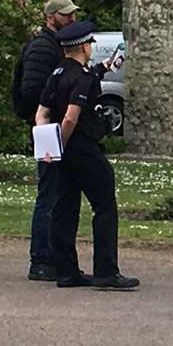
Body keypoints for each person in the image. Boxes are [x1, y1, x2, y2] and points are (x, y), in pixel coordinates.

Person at [36, 20, 140, 290]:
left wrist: (49, 146)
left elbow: (42, 113)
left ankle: (66, 271)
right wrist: (63, 142)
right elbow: (71, 116)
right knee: (104, 205)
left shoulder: (57, 73)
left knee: (65, 207)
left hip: (60, 153)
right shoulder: (80, 78)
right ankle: (106, 271)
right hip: (82, 148)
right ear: (83, 46)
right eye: (90, 44)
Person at [11, 0, 79, 281]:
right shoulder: (42, 47)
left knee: (58, 193)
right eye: (65, 15)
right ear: (51, 17)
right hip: (47, 128)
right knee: (49, 194)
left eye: (72, 14)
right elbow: (32, 89)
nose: (71, 19)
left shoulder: (56, 47)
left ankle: (54, 255)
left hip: (52, 125)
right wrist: (54, 109)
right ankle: (41, 258)